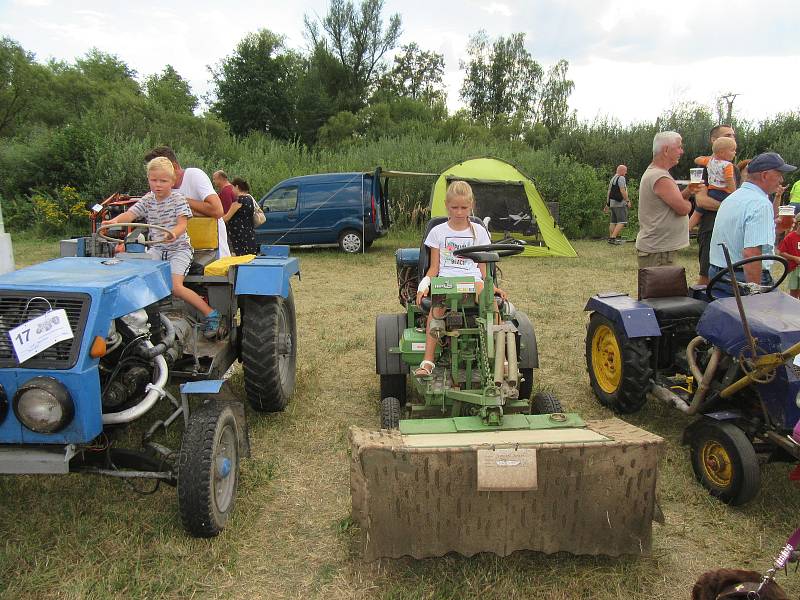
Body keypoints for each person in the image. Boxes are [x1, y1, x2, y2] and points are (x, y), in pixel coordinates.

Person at [102, 157, 222, 337]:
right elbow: (130, 215)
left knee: (176, 287)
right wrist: (114, 221)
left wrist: (173, 232)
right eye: (153, 180)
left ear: (172, 181)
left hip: (179, 248)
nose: (158, 185)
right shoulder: (148, 199)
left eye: (163, 181)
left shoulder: (178, 199)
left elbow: (182, 225)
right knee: (138, 279)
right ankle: (140, 319)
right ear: (148, 179)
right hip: (157, 248)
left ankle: (210, 313)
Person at [414, 181, 506, 377]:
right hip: (447, 280)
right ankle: (428, 361)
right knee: (436, 308)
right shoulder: (437, 232)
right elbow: (434, 267)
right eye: (454, 207)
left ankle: (501, 359)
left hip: (473, 281)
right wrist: (424, 285)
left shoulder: (479, 232)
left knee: (491, 305)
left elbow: (483, 267)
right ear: (447, 205)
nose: (458, 212)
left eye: (463, 207)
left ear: (471, 205)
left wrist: (491, 287)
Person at [709, 152, 797, 296]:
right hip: (741, 278)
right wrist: (754, 297)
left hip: (719, 275)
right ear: (764, 175)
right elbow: (751, 254)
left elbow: (739, 237)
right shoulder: (760, 203)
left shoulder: (733, 198)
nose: (781, 179)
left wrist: (776, 229)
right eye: (779, 174)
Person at [144, 146, 230, 258]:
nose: (157, 182)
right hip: (174, 253)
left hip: (210, 253)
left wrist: (180, 200)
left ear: (174, 166)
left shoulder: (195, 175)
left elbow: (217, 211)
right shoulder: (159, 188)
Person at [635, 131, 695, 268]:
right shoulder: (660, 176)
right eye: (679, 147)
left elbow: (670, 203)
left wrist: (688, 192)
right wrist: (688, 204)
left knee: (659, 290)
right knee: (662, 290)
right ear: (666, 150)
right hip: (660, 252)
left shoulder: (656, 173)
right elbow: (682, 209)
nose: (682, 151)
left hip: (659, 250)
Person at [693, 125, 739, 285]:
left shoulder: (732, 168)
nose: (732, 138)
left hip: (730, 229)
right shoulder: (704, 167)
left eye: (733, 136)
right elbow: (701, 201)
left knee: (728, 277)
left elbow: (735, 196)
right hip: (710, 227)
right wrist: (731, 206)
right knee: (706, 277)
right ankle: (700, 308)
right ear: (714, 140)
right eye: (727, 135)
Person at [688, 136, 737, 231]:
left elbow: (697, 159)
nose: (735, 152)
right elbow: (729, 179)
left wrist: (710, 157)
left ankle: (687, 229)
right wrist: (734, 193)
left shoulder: (709, 161)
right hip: (723, 193)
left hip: (712, 191)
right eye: (732, 150)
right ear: (722, 152)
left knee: (699, 210)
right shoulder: (728, 165)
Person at [223, 177, 259, 256]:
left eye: (232, 187)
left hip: (239, 238)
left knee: (240, 261)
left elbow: (226, 218)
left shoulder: (239, 201)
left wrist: (216, 218)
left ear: (237, 187)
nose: (232, 190)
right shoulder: (249, 199)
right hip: (249, 235)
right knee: (250, 259)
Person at [604, 164, 631, 244]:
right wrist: (627, 201)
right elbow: (622, 190)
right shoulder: (621, 178)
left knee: (613, 222)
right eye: (625, 171)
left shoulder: (613, 179)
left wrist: (608, 204)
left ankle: (611, 237)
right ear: (621, 170)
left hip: (612, 203)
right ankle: (613, 238)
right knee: (622, 221)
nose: (626, 173)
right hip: (619, 203)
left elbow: (609, 192)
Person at [777, 213, 800, 298]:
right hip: (793, 269)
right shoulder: (790, 237)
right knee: (794, 293)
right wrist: (794, 258)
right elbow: (781, 252)